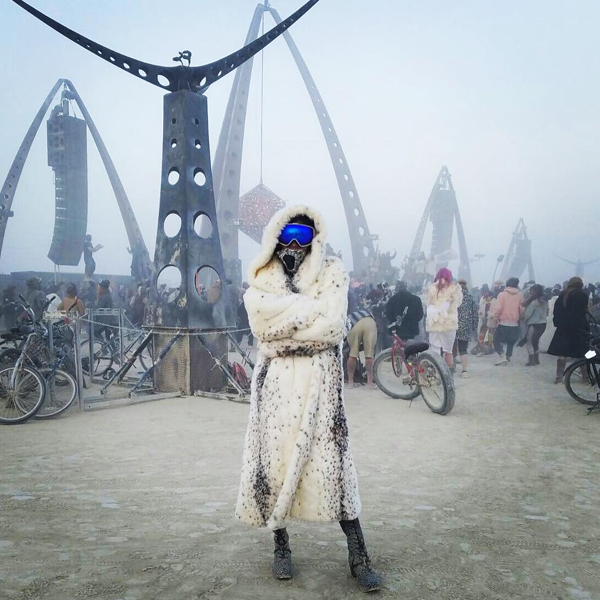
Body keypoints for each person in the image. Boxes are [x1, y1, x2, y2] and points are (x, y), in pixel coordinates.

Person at [235, 206, 380, 592]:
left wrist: (286, 327)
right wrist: (309, 313)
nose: (296, 245)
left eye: (304, 235)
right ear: (275, 237)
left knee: (335, 470)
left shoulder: (332, 270)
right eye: (289, 235)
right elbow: (261, 328)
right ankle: (281, 546)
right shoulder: (263, 276)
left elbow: (332, 328)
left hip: (321, 389)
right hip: (276, 389)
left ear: (316, 238)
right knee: (275, 467)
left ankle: (359, 556)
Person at [548, 277, 589, 383]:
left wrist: (559, 323)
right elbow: (583, 312)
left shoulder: (562, 295)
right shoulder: (582, 295)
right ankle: (585, 377)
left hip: (563, 327)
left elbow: (556, 311)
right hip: (579, 327)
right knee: (583, 353)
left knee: (562, 353)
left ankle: (559, 377)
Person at [425, 268, 463, 370]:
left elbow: (427, 304)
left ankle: (436, 373)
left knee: (435, 349)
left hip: (434, 323)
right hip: (449, 323)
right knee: (448, 351)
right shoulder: (454, 289)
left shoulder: (432, 288)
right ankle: (448, 374)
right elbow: (458, 303)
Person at [491, 277, 524, 366]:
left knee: (496, 340)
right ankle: (508, 356)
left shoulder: (502, 295)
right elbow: (522, 309)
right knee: (511, 342)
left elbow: (498, 308)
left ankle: (502, 356)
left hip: (503, 323)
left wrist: (494, 316)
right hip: (514, 324)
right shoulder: (520, 295)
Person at [346, 307, 378, 387]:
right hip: (370, 322)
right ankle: (370, 383)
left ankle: (350, 382)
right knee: (369, 356)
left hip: (354, 324)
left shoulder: (346, 315)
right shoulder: (365, 310)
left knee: (352, 355)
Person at [519, 283, 549, 366]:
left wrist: (522, 317)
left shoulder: (534, 303)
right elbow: (547, 313)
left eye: (531, 291)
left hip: (533, 324)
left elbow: (527, 314)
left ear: (534, 291)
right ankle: (536, 359)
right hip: (543, 323)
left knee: (529, 342)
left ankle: (531, 359)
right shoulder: (545, 302)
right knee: (535, 341)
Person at [455, 278, 478, 378]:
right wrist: (474, 327)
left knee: (451, 347)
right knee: (463, 349)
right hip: (465, 326)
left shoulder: (453, 297)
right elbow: (475, 313)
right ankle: (464, 371)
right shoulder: (470, 298)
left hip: (453, 325)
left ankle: (451, 366)